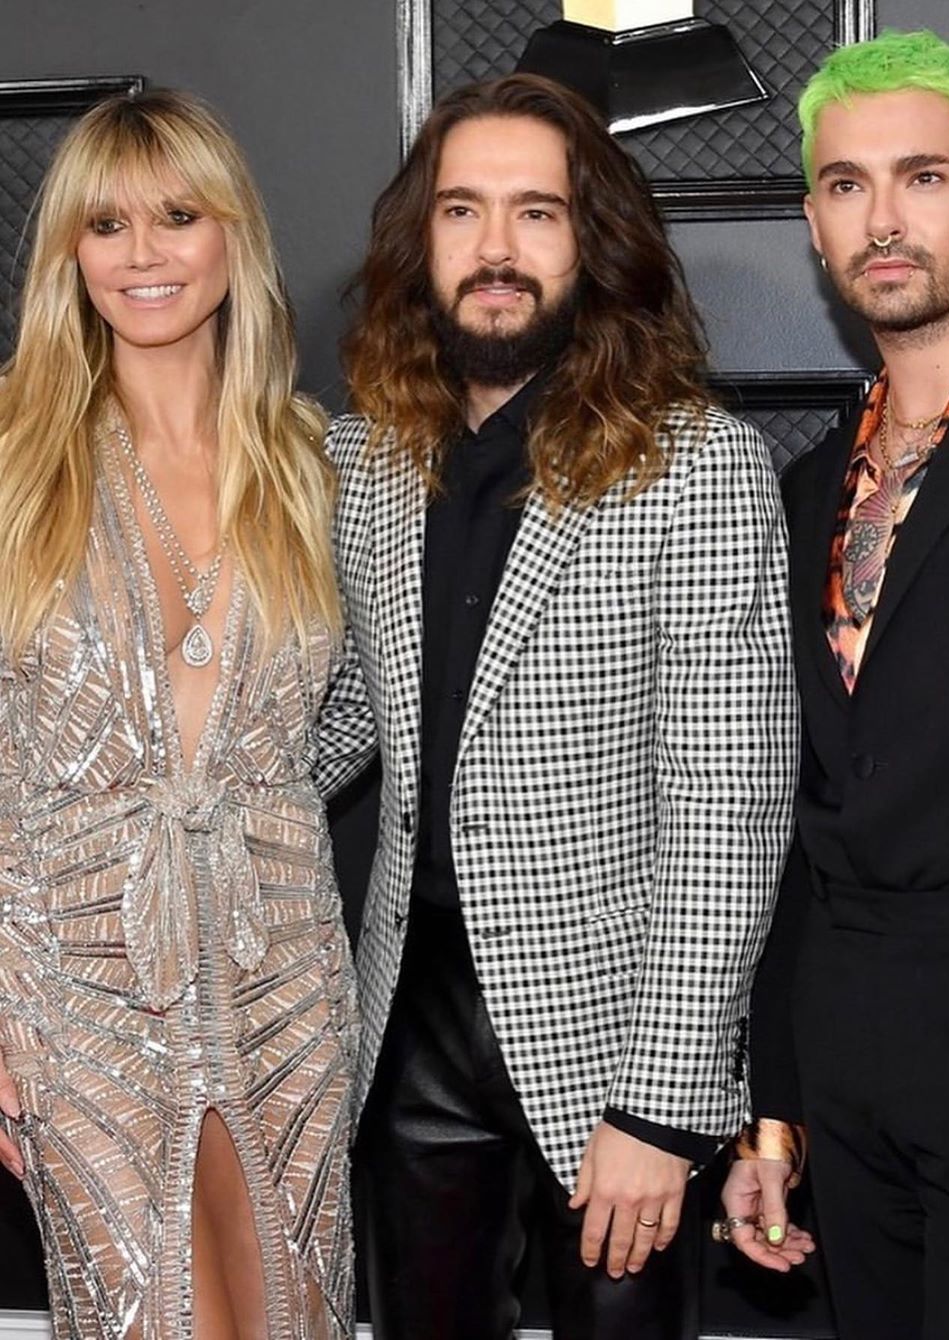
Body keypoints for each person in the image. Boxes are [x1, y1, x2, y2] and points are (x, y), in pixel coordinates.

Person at [314, 73, 798, 1339]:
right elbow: (352, 709)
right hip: (406, 1016)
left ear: (594, 240)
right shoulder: (365, 457)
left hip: (613, 1034)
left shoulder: (695, 463)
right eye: (464, 211)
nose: (496, 250)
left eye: (537, 213)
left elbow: (731, 803)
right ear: (421, 242)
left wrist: (663, 1104)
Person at [719, 28, 949, 1339]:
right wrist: (775, 1104)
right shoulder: (806, 486)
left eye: (922, 177)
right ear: (815, 224)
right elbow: (785, 816)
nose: (883, 217)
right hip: (846, 1072)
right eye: (844, 183)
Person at [0, 90, 359, 1337]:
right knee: (154, 1312)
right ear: (68, 255)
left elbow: (364, 715)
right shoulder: (11, 456)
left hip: (285, 969)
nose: (143, 253)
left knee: (291, 1309)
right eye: (105, 223)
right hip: (74, 976)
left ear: (232, 236)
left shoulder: (322, 462)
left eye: (177, 215)